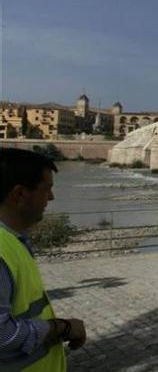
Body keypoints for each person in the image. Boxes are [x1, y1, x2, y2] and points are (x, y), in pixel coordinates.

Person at [0, 148, 87, 370]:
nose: (51, 197)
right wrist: (63, 328)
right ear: (19, 194)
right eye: (46, 189)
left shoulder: (12, 241)